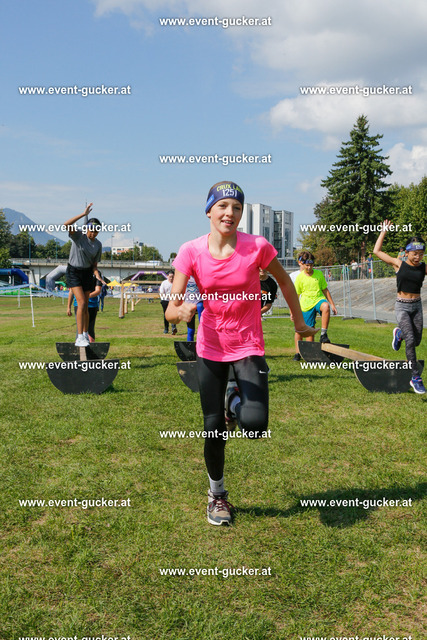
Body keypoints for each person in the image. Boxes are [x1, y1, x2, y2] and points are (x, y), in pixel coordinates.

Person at [166, 181, 317, 526]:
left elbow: (284, 281)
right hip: (210, 347)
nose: (229, 213)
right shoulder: (190, 251)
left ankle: (233, 402)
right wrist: (180, 311)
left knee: (255, 425)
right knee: (213, 429)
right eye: (222, 206)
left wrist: (299, 322)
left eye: (236, 207)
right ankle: (216, 495)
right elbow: (171, 308)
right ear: (209, 211)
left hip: (248, 344)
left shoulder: (257, 247)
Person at [374, 222, 426, 394]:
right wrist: (383, 232)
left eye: (421, 254)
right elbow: (377, 251)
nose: (418, 257)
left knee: (416, 341)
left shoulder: (423, 268)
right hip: (402, 306)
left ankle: (399, 334)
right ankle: (415, 377)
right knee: (410, 340)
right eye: (415, 254)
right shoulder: (398, 264)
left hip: (417, 307)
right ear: (407, 253)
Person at [63, 203, 103, 347]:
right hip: (74, 271)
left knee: (85, 306)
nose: (93, 234)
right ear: (87, 229)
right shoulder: (78, 236)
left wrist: (97, 275)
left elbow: (94, 265)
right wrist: (83, 214)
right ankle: (79, 337)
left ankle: (85, 334)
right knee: (81, 303)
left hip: (87, 273)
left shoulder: (98, 245)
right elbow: (66, 224)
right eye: (91, 230)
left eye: (96, 231)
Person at [294, 251, 338, 344]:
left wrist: (332, 305)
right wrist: (293, 311)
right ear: (303, 264)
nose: (309, 267)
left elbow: (325, 290)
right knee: (310, 333)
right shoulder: (299, 277)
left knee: (326, 306)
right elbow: (296, 295)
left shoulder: (319, 274)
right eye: (307, 265)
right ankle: (310, 350)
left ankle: (323, 334)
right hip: (306, 305)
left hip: (318, 299)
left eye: (311, 265)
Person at [67, 273, 102, 342]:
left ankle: (91, 345)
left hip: (92, 305)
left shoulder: (97, 273)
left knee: (90, 328)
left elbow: (98, 290)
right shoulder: (77, 272)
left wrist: (87, 296)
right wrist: (68, 307)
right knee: (79, 327)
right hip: (78, 304)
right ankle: (79, 342)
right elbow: (71, 291)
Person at [290, 254, 305, 361]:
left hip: (309, 305)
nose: (305, 264)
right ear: (299, 262)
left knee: (310, 328)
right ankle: (298, 352)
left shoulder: (312, 274)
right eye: (303, 261)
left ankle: (309, 352)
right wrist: (291, 309)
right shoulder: (293, 275)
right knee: (298, 329)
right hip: (297, 305)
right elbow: (290, 292)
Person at [185, 276, 204, 341]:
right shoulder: (185, 277)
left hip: (199, 301)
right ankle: (189, 343)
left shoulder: (200, 276)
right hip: (188, 303)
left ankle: (202, 326)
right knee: (190, 330)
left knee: (200, 306)